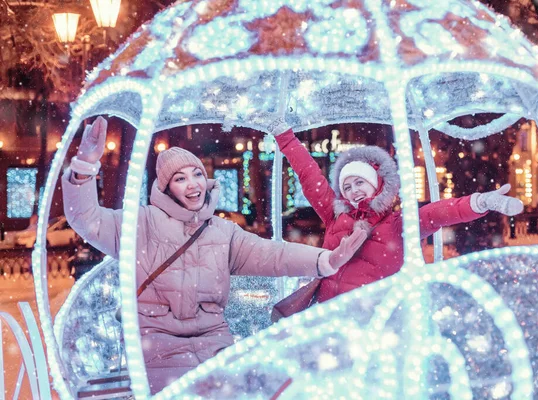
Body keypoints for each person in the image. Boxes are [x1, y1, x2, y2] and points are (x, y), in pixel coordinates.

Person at [61, 117, 367, 394]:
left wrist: (325, 260)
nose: (192, 183)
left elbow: (272, 254)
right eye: (180, 178)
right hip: (157, 348)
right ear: (166, 188)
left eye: (196, 173)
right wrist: (85, 167)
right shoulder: (139, 224)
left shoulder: (222, 232)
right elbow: (85, 217)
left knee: (271, 384)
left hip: (214, 345)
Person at [270, 121, 524, 304]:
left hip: (372, 322)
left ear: (377, 183)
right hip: (328, 319)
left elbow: (438, 213)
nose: (353, 190)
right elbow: (309, 175)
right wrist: (286, 138)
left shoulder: (398, 224)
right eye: (347, 186)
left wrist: (480, 202)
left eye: (360, 182)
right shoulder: (336, 215)